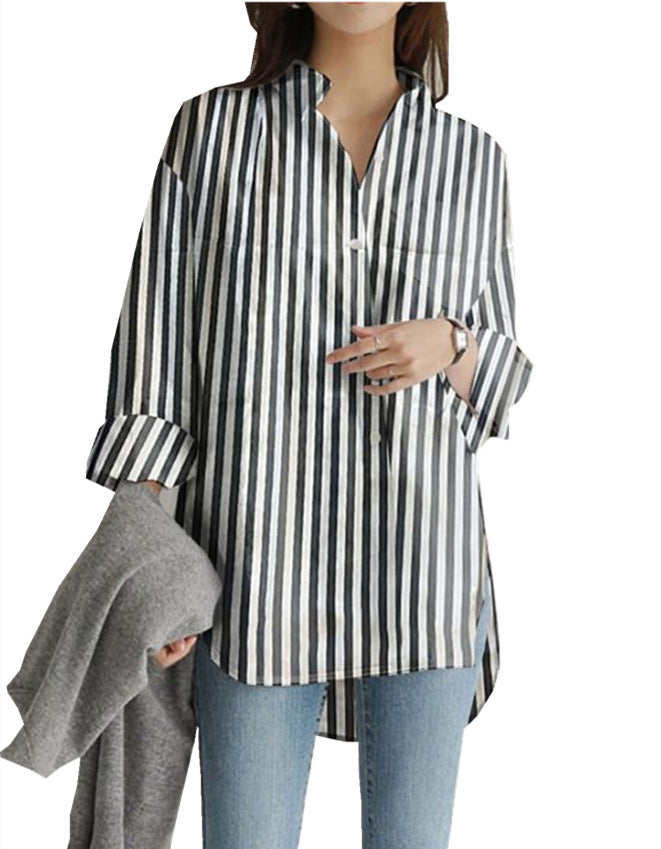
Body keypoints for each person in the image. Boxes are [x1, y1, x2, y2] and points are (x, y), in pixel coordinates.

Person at [85, 3, 533, 847]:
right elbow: (156, 361)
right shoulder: (211, 133)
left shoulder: (474, 158)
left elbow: (499, 383)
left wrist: (452, 342)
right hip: (255, 571)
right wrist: (150, 563)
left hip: (422, 575)